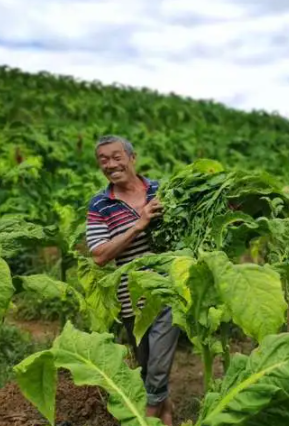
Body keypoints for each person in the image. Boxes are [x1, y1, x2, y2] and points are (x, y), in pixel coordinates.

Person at [85, 135, 179, 425]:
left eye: (116, 157)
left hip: (167, 292)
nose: (111, 164)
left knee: (158, 372)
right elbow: (100, 255)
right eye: (103, 160)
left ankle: (142, 419)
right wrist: (139, 224)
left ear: (131, 157)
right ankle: (166, 418)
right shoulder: (100, 205)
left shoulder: (162, 191)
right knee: (149, 369)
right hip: (131, 302)